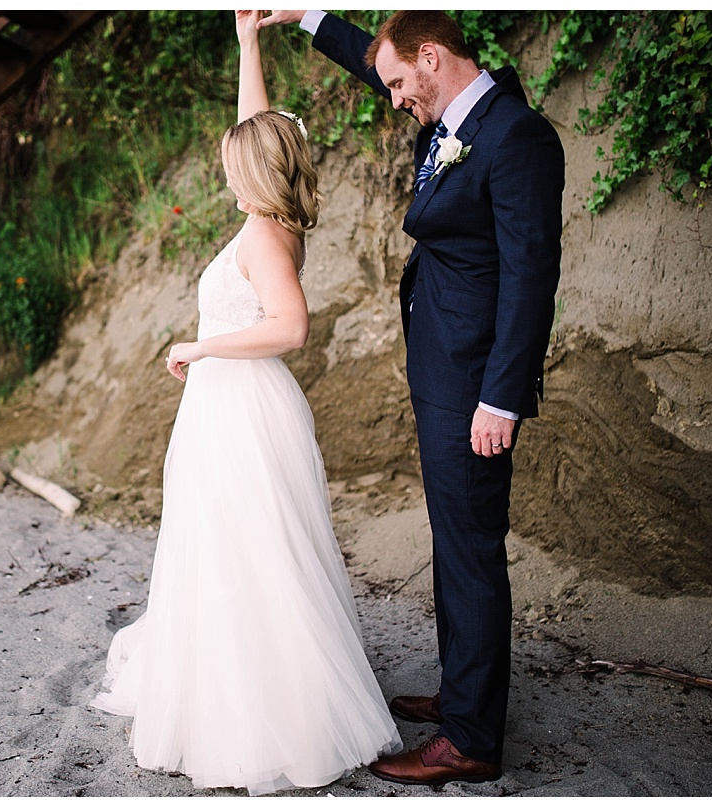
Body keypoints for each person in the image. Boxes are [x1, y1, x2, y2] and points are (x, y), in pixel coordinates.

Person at [89, 10, 401, 796]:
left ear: (254, 175)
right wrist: (249, 44)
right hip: (235, 408)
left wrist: (199, 346)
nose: (227, 171)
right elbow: (255, 131)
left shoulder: (263, 236)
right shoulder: (273, 215)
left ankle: (261, 710)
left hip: (241, 409)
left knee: (245, 551)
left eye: (236, 164)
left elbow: (290, 327)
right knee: (236, 550)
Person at [258, 9, 564, 789]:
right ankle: (464, 697)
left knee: (470, 549)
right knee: (453, 540)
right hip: (441, 372)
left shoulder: (514, 136)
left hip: (475, 387)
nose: (393, 98)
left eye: (401, 83)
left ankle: (471, 739)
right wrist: (307, 17)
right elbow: (376, 63)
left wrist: (501, 398)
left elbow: (532, 278)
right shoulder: (449, 110)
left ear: (433, 59)